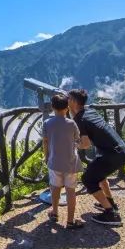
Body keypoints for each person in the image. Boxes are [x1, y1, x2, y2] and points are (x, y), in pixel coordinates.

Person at [68, 88, 125, 226]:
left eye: (68, 98)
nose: (67, 101)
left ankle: (111, 214)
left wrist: (72, 144)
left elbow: (85, 144)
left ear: (73, 101)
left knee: (88, 179)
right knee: (98, 174)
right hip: (121, 150)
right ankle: (110, 203)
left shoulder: (80, 119)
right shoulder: (90, 111)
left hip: (112, 155)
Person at [42, 93, 84, 229]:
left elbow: (45, 142)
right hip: (71, 163)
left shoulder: (47, 123)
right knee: (70, 191)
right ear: (67, 107)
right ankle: (70, 221)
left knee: (54, 188)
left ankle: (54, 213)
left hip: (54, 162)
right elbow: (78, 140)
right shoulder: (72, 124)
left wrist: (46, 157)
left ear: (53, 107)